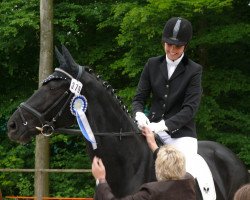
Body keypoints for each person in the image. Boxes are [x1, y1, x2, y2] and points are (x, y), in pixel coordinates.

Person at [132, 17, 216, 200]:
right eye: (168, 44)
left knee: (183, 174)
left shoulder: (194, 70)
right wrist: (138, 113)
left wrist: (162, 126)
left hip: (182, 135)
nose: (171, 50)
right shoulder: (152, 64)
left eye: (176, 46)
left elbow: (189, 110)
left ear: (185, 46)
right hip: (151, 130)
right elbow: (139, 98)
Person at [92, 127, 196, 200]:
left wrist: (101, 180)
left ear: (158, 167)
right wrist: (153, 145)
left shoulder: (151, 192)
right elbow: (172, 163)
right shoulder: (189, 183)